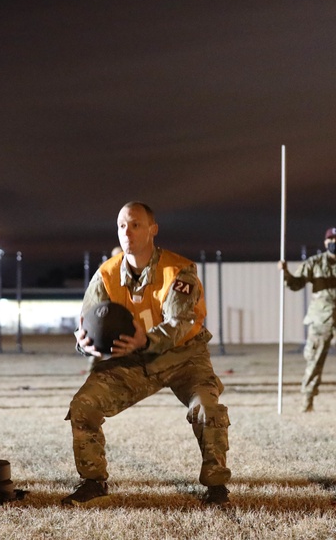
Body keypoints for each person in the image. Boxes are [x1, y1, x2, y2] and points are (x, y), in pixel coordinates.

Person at [64, 202, 231, 506]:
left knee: (207, 408)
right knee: (83, 405)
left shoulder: (178, 270)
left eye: (136, 224)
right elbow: (88, 323)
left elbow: (180, 323)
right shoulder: (106, 274)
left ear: (153, 230)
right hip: (133, 361)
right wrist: (84, 342)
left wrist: (146, 339)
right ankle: (93, 480)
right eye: (122, 225)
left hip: (184, 357)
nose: (128, 231)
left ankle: (216, 485)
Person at [280, 227, 336, 412]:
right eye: (330, 240)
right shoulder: (314, 263)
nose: (334, 243)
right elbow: (296, 284)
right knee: (314, 362)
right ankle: (307, 401)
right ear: (325, 242)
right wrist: (286, 272)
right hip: (320, 321)